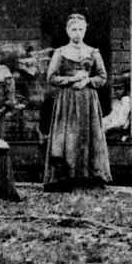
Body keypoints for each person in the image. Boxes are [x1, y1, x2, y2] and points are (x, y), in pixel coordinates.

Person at [42, 14, 112, 191]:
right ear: (67, 31)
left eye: (81, 29)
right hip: (67, 100)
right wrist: (72, 79)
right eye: (74, 29)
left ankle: (91, 177)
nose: (77, 33)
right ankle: (66, 177)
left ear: (85, 30)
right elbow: (51, 78)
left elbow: (102, 78)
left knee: (89, 135)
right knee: (69, 136)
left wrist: (88, 81)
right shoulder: (60, 52)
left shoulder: (93, 52)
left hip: (88, 100)